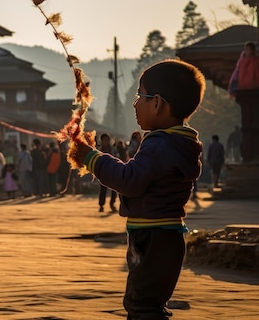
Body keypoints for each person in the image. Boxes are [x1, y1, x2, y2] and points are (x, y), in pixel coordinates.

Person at [70, 59, 204, 320]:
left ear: (157, 103)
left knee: (142, 305)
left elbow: (129, 179)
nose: (135, 103)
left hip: (154, 239)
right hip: (163, 237)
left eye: (139, 96)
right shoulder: (178, 144)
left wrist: (92, 158)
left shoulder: (160, 144)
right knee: (145, 303)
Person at [97, 133, 118, 213]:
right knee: (103, 190)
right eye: (105, 140)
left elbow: (117, 158)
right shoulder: (99, 150)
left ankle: (112, 204)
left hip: (112, 171)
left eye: (107, 140)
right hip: (103, 172)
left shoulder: (112, 149)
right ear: (102, 141)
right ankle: (101, 205)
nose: (106, 141)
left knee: (114, 190)